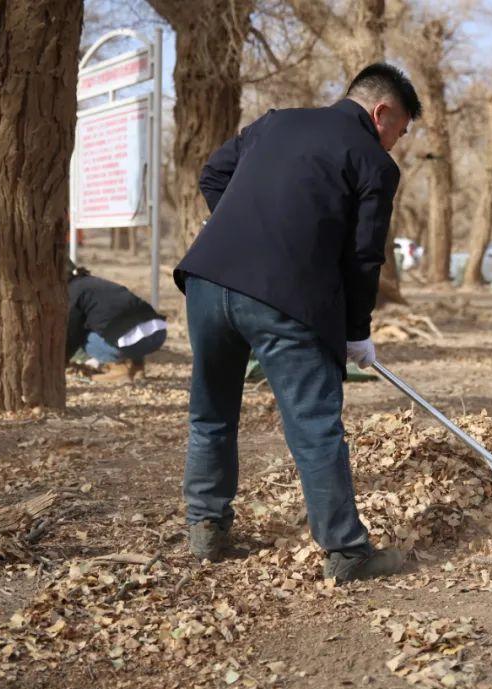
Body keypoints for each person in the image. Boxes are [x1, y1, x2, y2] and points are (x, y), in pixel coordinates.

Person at [173, 63, 421, 581]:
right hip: (284, 299)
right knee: (313, 425)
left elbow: (213, 175)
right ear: (381, 113)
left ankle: (206, 529)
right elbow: (362, 257)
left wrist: (250, 230)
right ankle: (348, 553)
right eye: (400, 130)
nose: (396, 143)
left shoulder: (274, 122)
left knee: (211, 411)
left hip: (205, 280)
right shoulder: (373, 161)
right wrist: (357, 330)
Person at [66, 264, 167, 382]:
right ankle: (138, 368)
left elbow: (72, 332)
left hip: (134, 341)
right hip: (158, 333)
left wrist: (64, 359)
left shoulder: (73, 292)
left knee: (85, 337)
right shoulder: (93, 282)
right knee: (129, 324)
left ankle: (119, 371)